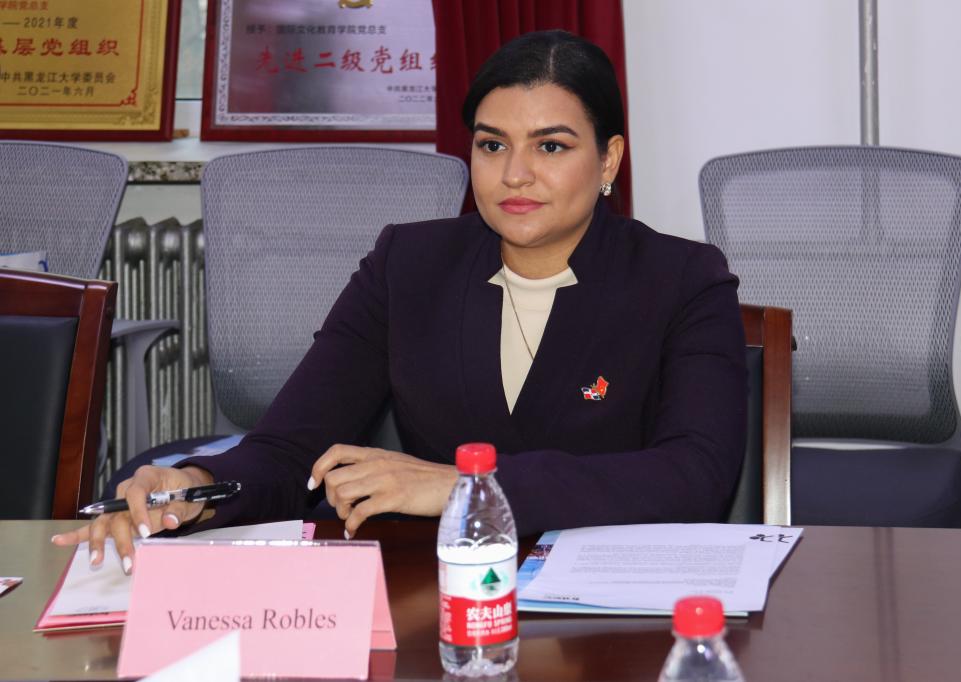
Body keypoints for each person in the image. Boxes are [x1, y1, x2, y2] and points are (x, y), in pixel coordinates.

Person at [53, 30, 747, 572]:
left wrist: (463, 486)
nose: (515, 173)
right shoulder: (409, 264)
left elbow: (696, 474)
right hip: (434, 588)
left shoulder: (683, 278)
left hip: (614, 608)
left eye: (552, 146)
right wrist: (197, 487)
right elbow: (292, 448)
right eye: (492, 144)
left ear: (609, 159)